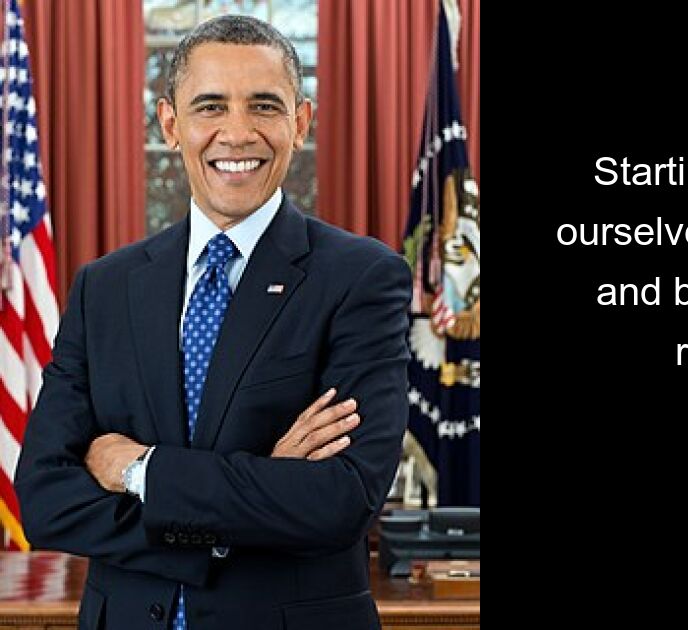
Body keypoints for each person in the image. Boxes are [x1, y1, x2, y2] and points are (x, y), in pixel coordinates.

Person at [14, 15, 410, 630]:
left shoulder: (362, 279)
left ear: (300, 122)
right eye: (210, 106)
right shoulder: (106, 287)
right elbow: (44, 500)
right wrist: (250, 500)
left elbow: (340, 501)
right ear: (171, 123)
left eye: (264, 106)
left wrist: (139, 470)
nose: (237, 132)